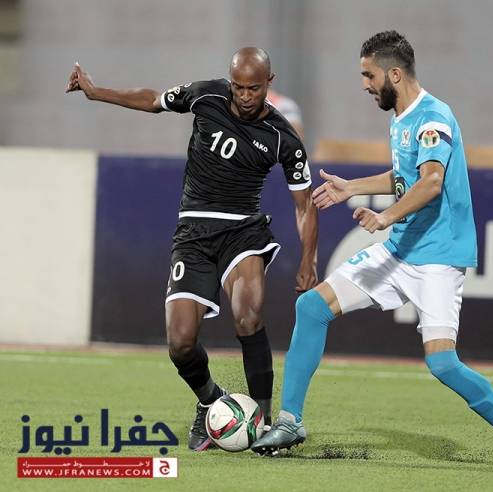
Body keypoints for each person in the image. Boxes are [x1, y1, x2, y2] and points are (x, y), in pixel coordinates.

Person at [252, 31, 493, 471]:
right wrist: (352, 186)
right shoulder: (402, 118)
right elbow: (404, 174)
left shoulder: (433, 118)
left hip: (438, 258)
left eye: (369, 76)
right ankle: (290, 421)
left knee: (443, 364)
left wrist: (385, 217)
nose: (365, 85)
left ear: (394, 74)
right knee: (312, 307)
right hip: (400, 251)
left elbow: (431, 181)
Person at [65, 47, 318, 451]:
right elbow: (153, 100)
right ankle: (210, 400)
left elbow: (304, 205)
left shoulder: (282, 137)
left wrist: (308, 260)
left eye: (254, 88)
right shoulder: (206, 95)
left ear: (269, 83)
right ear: (230, 81)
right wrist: (96, 93)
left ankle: (265, 424)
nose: (245, 96)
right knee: (180, 342)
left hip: (243, 230)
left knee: (248, 315)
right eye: (238, 87)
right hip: (194, 234)